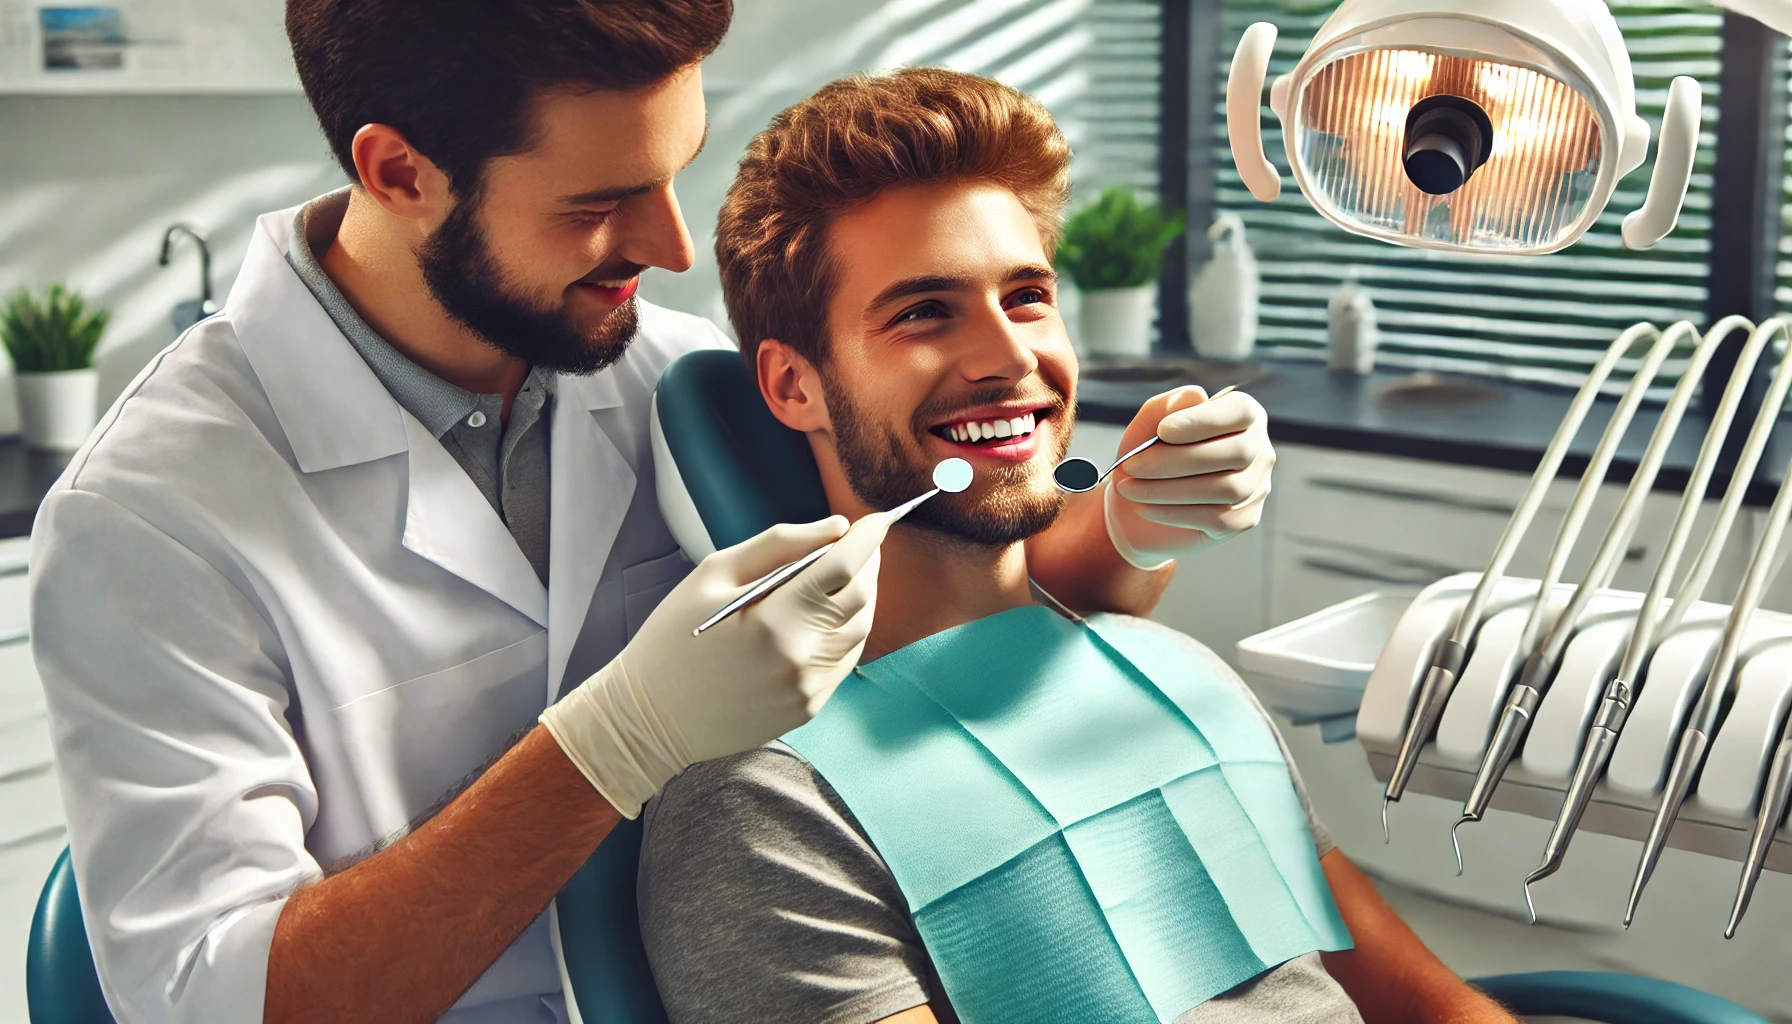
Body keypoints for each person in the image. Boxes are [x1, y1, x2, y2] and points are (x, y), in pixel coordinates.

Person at [27, 3, 1281, 1023]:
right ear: (398, 171)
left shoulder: (678, 381)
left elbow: (955, 609)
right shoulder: (148, 522)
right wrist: (613, 742)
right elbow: (224, 1004)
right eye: (595, 203)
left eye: (674, 172)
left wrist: (1126, 524)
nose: (670, 245)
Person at [636, 68, 1518, 1024]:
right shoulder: (772, 804)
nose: (1012, 359)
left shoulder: (1181, 681)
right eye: (924, 312)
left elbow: (1430, 1007)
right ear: (793, 387)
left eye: (1025, 297)